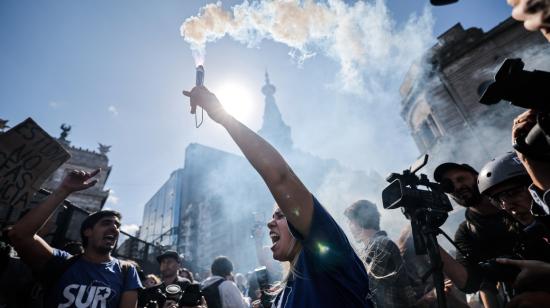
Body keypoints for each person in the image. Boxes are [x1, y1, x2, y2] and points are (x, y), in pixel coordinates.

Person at [183, 86, 372, 308]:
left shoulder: (328, 259)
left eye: (282, 215)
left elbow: (281, 178)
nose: (269, 222)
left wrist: (223, 117)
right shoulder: (283, 294)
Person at [8, 169, 143, 308]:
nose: (115, 228)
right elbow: (19, 235)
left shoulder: (127, 271)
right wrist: (64, 190)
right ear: (88, 232)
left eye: (117, 225)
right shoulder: (62, 262)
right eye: (106, 223)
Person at [433, 162, 517, 307]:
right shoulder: (466, 232)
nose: (458, 187)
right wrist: (428, 236)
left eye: (461, 179)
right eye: (450, 186)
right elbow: (470, 282)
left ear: (478, 177)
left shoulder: (515, 200)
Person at [344, 200, 416, 308]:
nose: (349, 226)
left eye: (350, 221)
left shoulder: (381, 244)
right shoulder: (373, 247)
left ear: (360, 220)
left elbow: (364, 287)